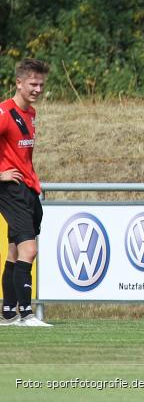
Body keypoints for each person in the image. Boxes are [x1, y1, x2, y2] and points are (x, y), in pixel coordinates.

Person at [0, 59, 51, 327]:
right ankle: (26, 314)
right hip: (10, 189)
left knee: (14, 251)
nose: (38, 89)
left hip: (28, 188)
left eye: (41, 84)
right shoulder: (3, 112)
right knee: (29, 250)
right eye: (33, 84)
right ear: (18, 83)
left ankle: (7, 314)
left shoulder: (30, 113)